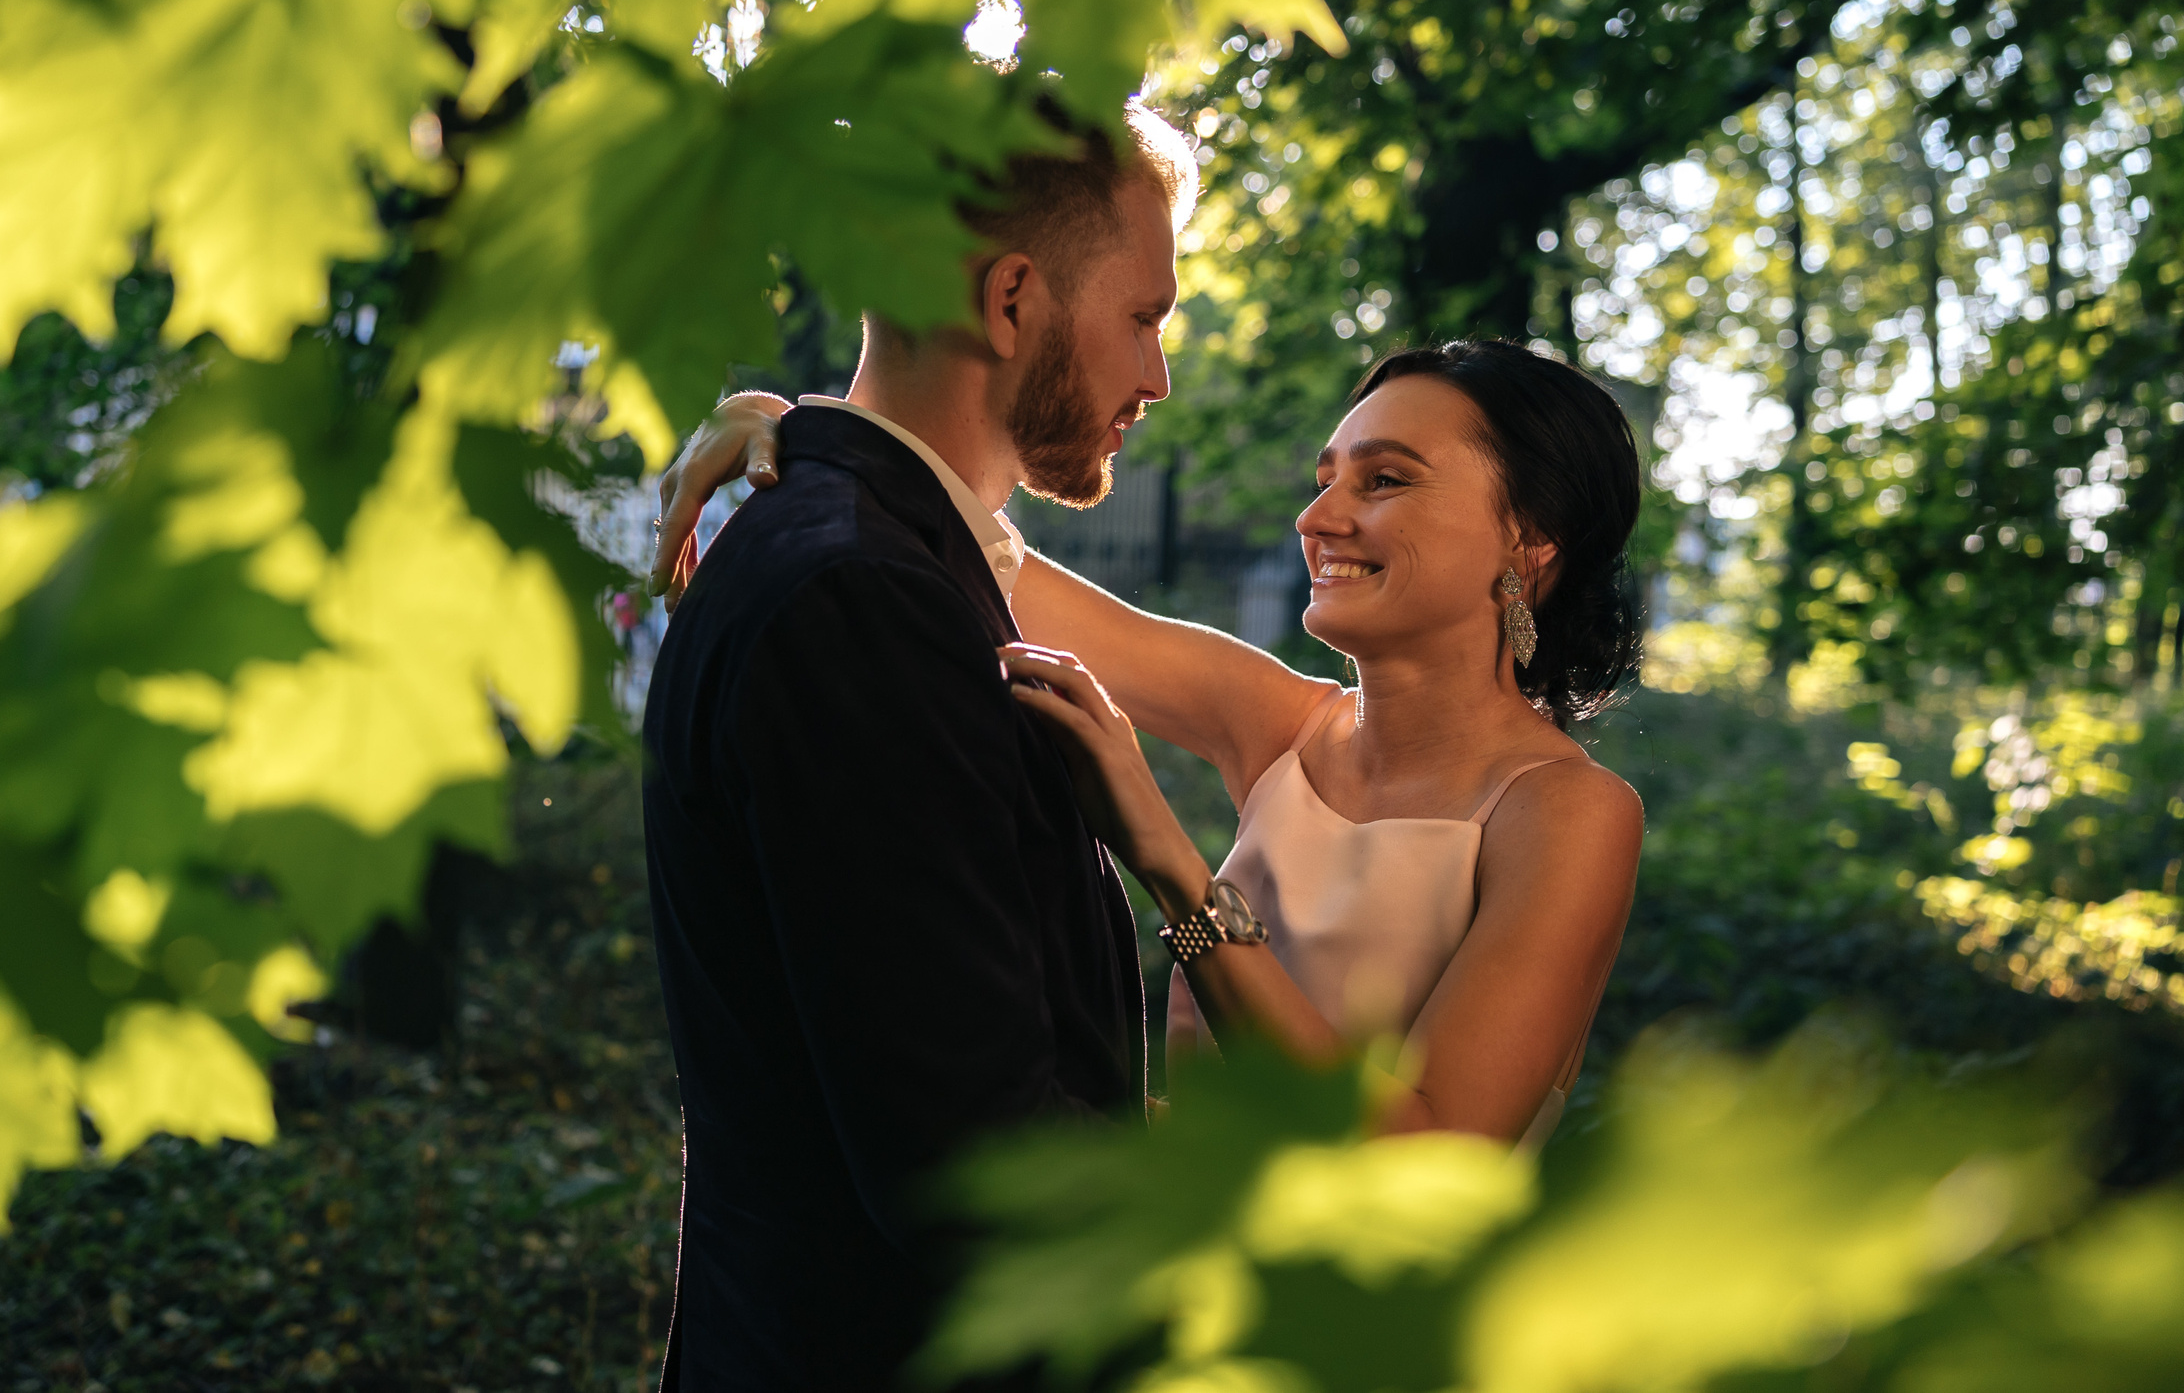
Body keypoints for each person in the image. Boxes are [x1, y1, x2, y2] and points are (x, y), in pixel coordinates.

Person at [661, 338, 1647, 1148]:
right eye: (1324, 480)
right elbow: (983, 561)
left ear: (1530, 540)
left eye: (1383, 481)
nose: (1318, 518)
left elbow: (1425, 1156)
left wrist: (1170, 865)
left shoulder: (1566, 813)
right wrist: (809, 440)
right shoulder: (1279, 725)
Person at [639, 100, 1200, 1391]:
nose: (1157, 375)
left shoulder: (866, 548)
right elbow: (972, 1169)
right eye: (1144, 316)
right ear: (1013, 298)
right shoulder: (860, 597)